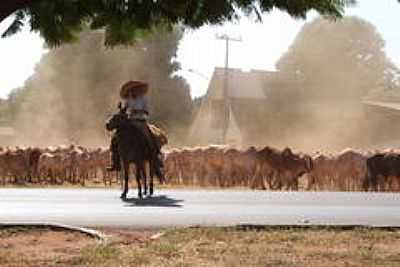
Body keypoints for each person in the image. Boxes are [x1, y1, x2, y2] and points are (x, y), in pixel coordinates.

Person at [106, 81, 166, 181]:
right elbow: (124, 111)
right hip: (129, 122)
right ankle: (115, 161)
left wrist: (137, 111)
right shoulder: (128, 100)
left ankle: (155, 157)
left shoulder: (143, 99)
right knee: (115, 137)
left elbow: (147, 111)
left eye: (134, 89)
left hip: (141, 121)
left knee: (149, 137)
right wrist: (122, 110)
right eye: (130, 90)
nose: (132, 91)